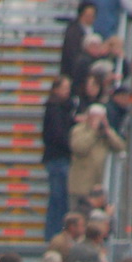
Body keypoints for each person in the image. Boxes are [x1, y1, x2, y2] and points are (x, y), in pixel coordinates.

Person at [68, 105, 125, 216]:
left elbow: (120, 146)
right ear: (89, 117)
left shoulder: (105, 132)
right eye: (96, 117)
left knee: (97, 217)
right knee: (79, 215)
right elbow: (79, 147)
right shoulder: (78, 130)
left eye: (102, 118)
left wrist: (108, 131)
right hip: (81, 185)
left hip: (99, 186)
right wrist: (93, 131)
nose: (99, 121)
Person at [42, 76, 77, 243]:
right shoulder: (55, 108)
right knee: (58, 199)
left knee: (59, 198)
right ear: (56, 89)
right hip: (58, 158)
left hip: (58, 158)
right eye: (65, 88)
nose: (67, 91)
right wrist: (71, 147)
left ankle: (55, 234)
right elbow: (57, 135)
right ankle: (54, 234)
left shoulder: (62, 108)